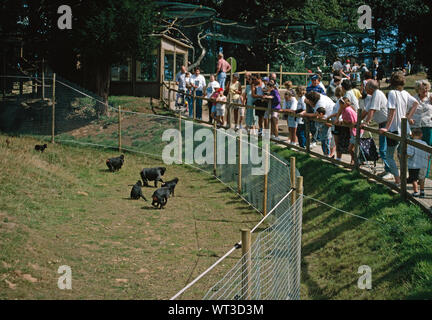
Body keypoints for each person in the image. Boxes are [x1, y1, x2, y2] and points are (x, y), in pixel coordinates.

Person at [379, 71, 419, 185]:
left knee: (389, 155)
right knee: (402, 156)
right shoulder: (405, 93)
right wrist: (407, 117)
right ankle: (402, 178)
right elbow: (415, 103)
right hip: (405, 129)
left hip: (394, 129)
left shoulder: (392, 93)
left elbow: (392, 111)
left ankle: (397, 179)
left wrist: (386, 127)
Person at [361, 80, 391, 179]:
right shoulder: (372, 96)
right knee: (383, 148)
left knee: (383, 148)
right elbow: (366, 111)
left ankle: (389, 171)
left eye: (365, 87)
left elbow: (372, 110)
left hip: (385, 123)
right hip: (381, 123)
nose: (364, 89)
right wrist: (357, 121)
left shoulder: (377, 94)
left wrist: (366, 122)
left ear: (370, 88)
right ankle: (387, 169)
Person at [339, 97, 363, 165]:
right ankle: (354, 161)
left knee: (351, 148)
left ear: (344, 104)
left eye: (340, 104)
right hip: (353, 131)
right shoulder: (345, 109)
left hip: (356, 131)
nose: (340, 106)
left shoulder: (348, 110)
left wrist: (344, 122)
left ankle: (356, 161)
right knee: (352, 148)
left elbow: (352, 122)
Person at [407, 128, 429, 198]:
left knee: (414, 179)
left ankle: (416, 192)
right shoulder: (425, 143)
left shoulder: (411, 143)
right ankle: (422, 192)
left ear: (412, 135)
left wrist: (404, 155)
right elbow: (428, 154)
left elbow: (409, 154)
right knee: (422, 179)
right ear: (421, 135)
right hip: (423, 165)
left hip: (414, 165)